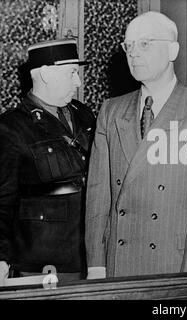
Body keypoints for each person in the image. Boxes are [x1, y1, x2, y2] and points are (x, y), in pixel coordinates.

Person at [85, 12, 187, 279]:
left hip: (174, 266)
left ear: (173, 50)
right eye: (128, 46)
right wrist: (96, 265)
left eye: (144, 43)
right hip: (119, 266)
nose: (134, 53)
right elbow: (98, 196)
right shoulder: (110, 110)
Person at [0, 39, 95, 285]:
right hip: (42, 264)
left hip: (89, 255)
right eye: (72, 73)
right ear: (44, 74)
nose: (79, 82)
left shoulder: (84, 115)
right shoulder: (11, 128)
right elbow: (2, 201)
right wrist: (1, 257)